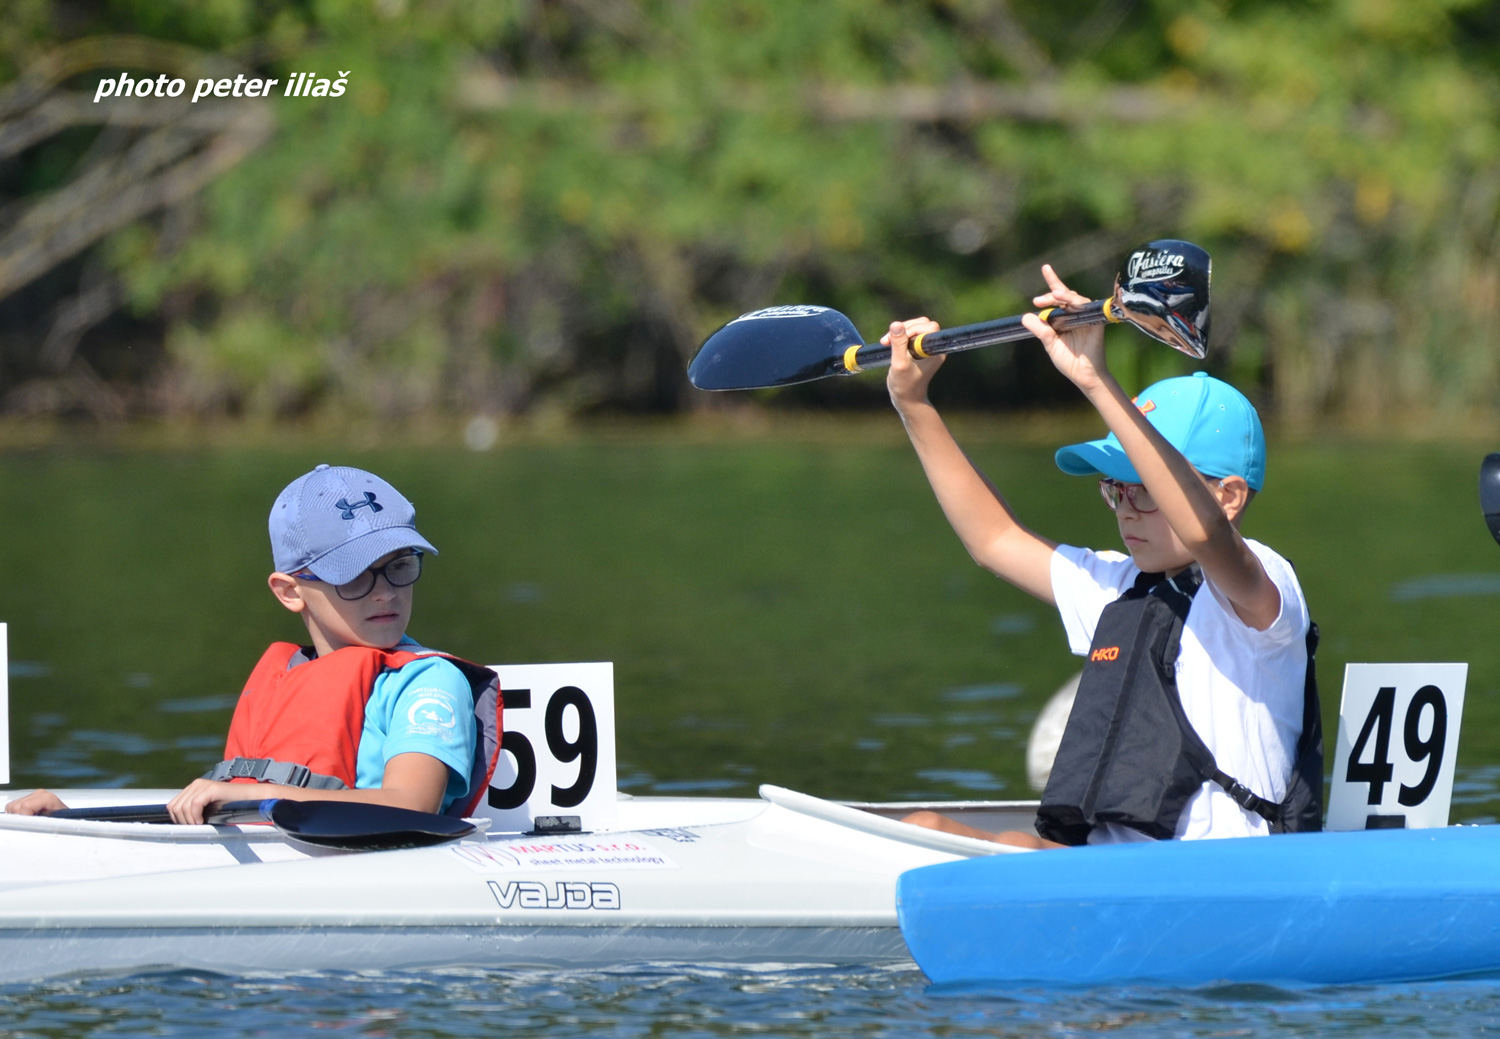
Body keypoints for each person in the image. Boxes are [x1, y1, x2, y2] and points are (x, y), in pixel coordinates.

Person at [889, 265, 1321, 850]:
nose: (1124, 509)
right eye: (1113, 488)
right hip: (1109, 867)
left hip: (1219, 875)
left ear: (1229, 495)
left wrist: (1096, 381)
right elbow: (993, 540)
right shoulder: (1119, 587)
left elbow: (1203, 534)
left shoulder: (1263, 590)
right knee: (924, 832)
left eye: (1140, 485)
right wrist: (914, 403)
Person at [6, 464, 502, 824]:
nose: (386, 591)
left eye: (400, 565)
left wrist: (249, 794)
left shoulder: (426, 680)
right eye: (355, 576)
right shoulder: (287, 676)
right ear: (290, 591)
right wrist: (73, 823)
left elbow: (411, 805)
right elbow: (224, 810)